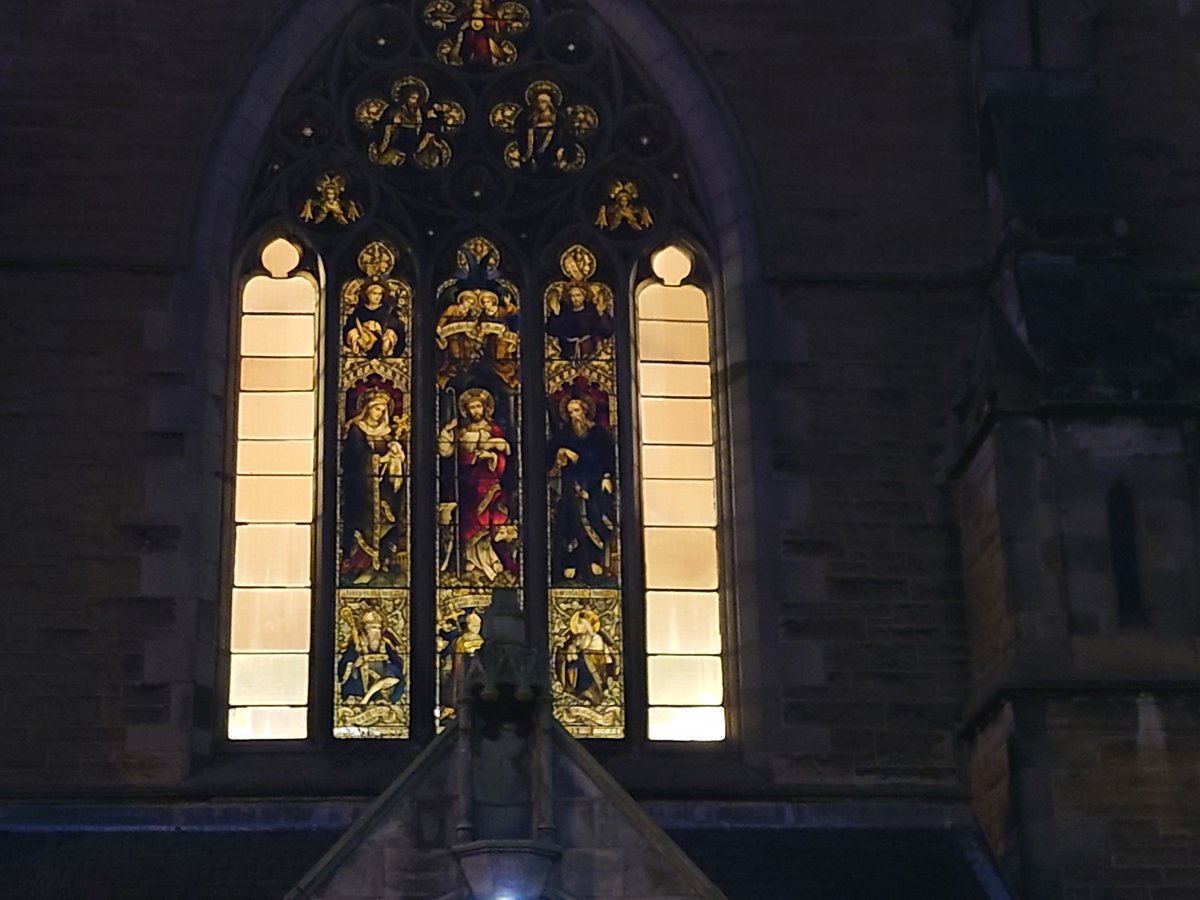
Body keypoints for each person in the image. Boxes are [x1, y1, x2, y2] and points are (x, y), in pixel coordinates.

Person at [437, 388, 517, 582]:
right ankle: (471, 558)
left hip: (489, 481)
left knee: (489, 518)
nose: (475, 410)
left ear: (485, 408)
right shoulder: (461, 431)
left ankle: (489, 558)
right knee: (469, 519)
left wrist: (491, 456)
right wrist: (449, 432)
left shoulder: (494, 429)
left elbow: (505, 454)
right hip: (468, 482)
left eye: (478, 406)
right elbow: (449, 453)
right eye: (471, 407)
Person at [342, 388, 406, 584]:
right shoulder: (357, 429)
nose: (380, 413)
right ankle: (361, 565)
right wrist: (378, 460)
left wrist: (397, 454)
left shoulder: (387, 432)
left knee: (387, 524)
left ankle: (382, 562)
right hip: (363, 489)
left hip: (385, 489)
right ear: (367, 409)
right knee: (366, 525)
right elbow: (355, 458)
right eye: (377, 409)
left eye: (383, 410)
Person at [548, 396, 615, 582]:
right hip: (571, 484)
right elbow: (552, 453)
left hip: (593, 483)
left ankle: (594, 559)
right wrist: (562, 452)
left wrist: (606, 476)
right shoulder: (565, 433)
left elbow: (606, 456)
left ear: (585, 411)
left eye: (576, 411)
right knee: (569, 519)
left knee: (594, 517)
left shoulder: (597, 433)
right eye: (570, 412)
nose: (573, 416)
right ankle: (571, 562)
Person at [338, 608, 406, 705]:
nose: (376, 634)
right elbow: (343, 666)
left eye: (378, 629)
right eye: (372, 629)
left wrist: (389, 672)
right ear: (365, 630)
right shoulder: (356, 644)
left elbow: (397, 663)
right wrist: (354, 665)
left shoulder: (386, 644)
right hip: (359, 687)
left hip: (383, 686)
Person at [554, 609, 617, 705]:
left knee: (582, 660)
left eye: (579, 623)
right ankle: (576, 693)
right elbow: (570, 656)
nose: (576, 626)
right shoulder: (577, 639)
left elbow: (601, 660)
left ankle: (591, 693)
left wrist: (582, 654)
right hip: (578, 673)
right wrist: (569, 653)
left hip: (594, 675)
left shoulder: (596, 639)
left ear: (587, 624)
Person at [546, 283, 612, 358]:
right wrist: (555, 314)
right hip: (567, 351)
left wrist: (601, 314)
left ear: (584, 296)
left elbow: (606, 331)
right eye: (572, 296)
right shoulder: (564, 312)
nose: (575, 299)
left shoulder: (592, 312)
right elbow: (552, 331)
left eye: (578, 295)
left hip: (589, 351)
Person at [343, 282, 405, 357]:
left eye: (380, 294)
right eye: (374, 293)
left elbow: (397, 327)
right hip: (363, 341)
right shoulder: (359, 310)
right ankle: (359, 353)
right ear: (367, 294)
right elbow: (350, 326)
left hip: (382, 341)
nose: (377, 297)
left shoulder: (387, 310)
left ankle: (386, 354)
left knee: (391, 334)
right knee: (353, 333)